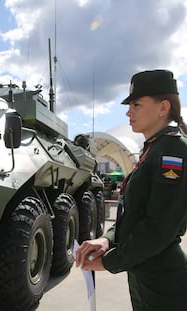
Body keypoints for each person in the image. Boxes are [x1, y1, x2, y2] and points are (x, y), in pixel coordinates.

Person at [76, 69, 187, 310]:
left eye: (136, 104)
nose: (128, 111)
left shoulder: (172, 152)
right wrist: (106, 240)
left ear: (162, 107)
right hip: (143, 273)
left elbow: (158, 228)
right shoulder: (153, 150)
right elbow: (133, 215)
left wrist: (108, 262)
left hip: (164, 282)